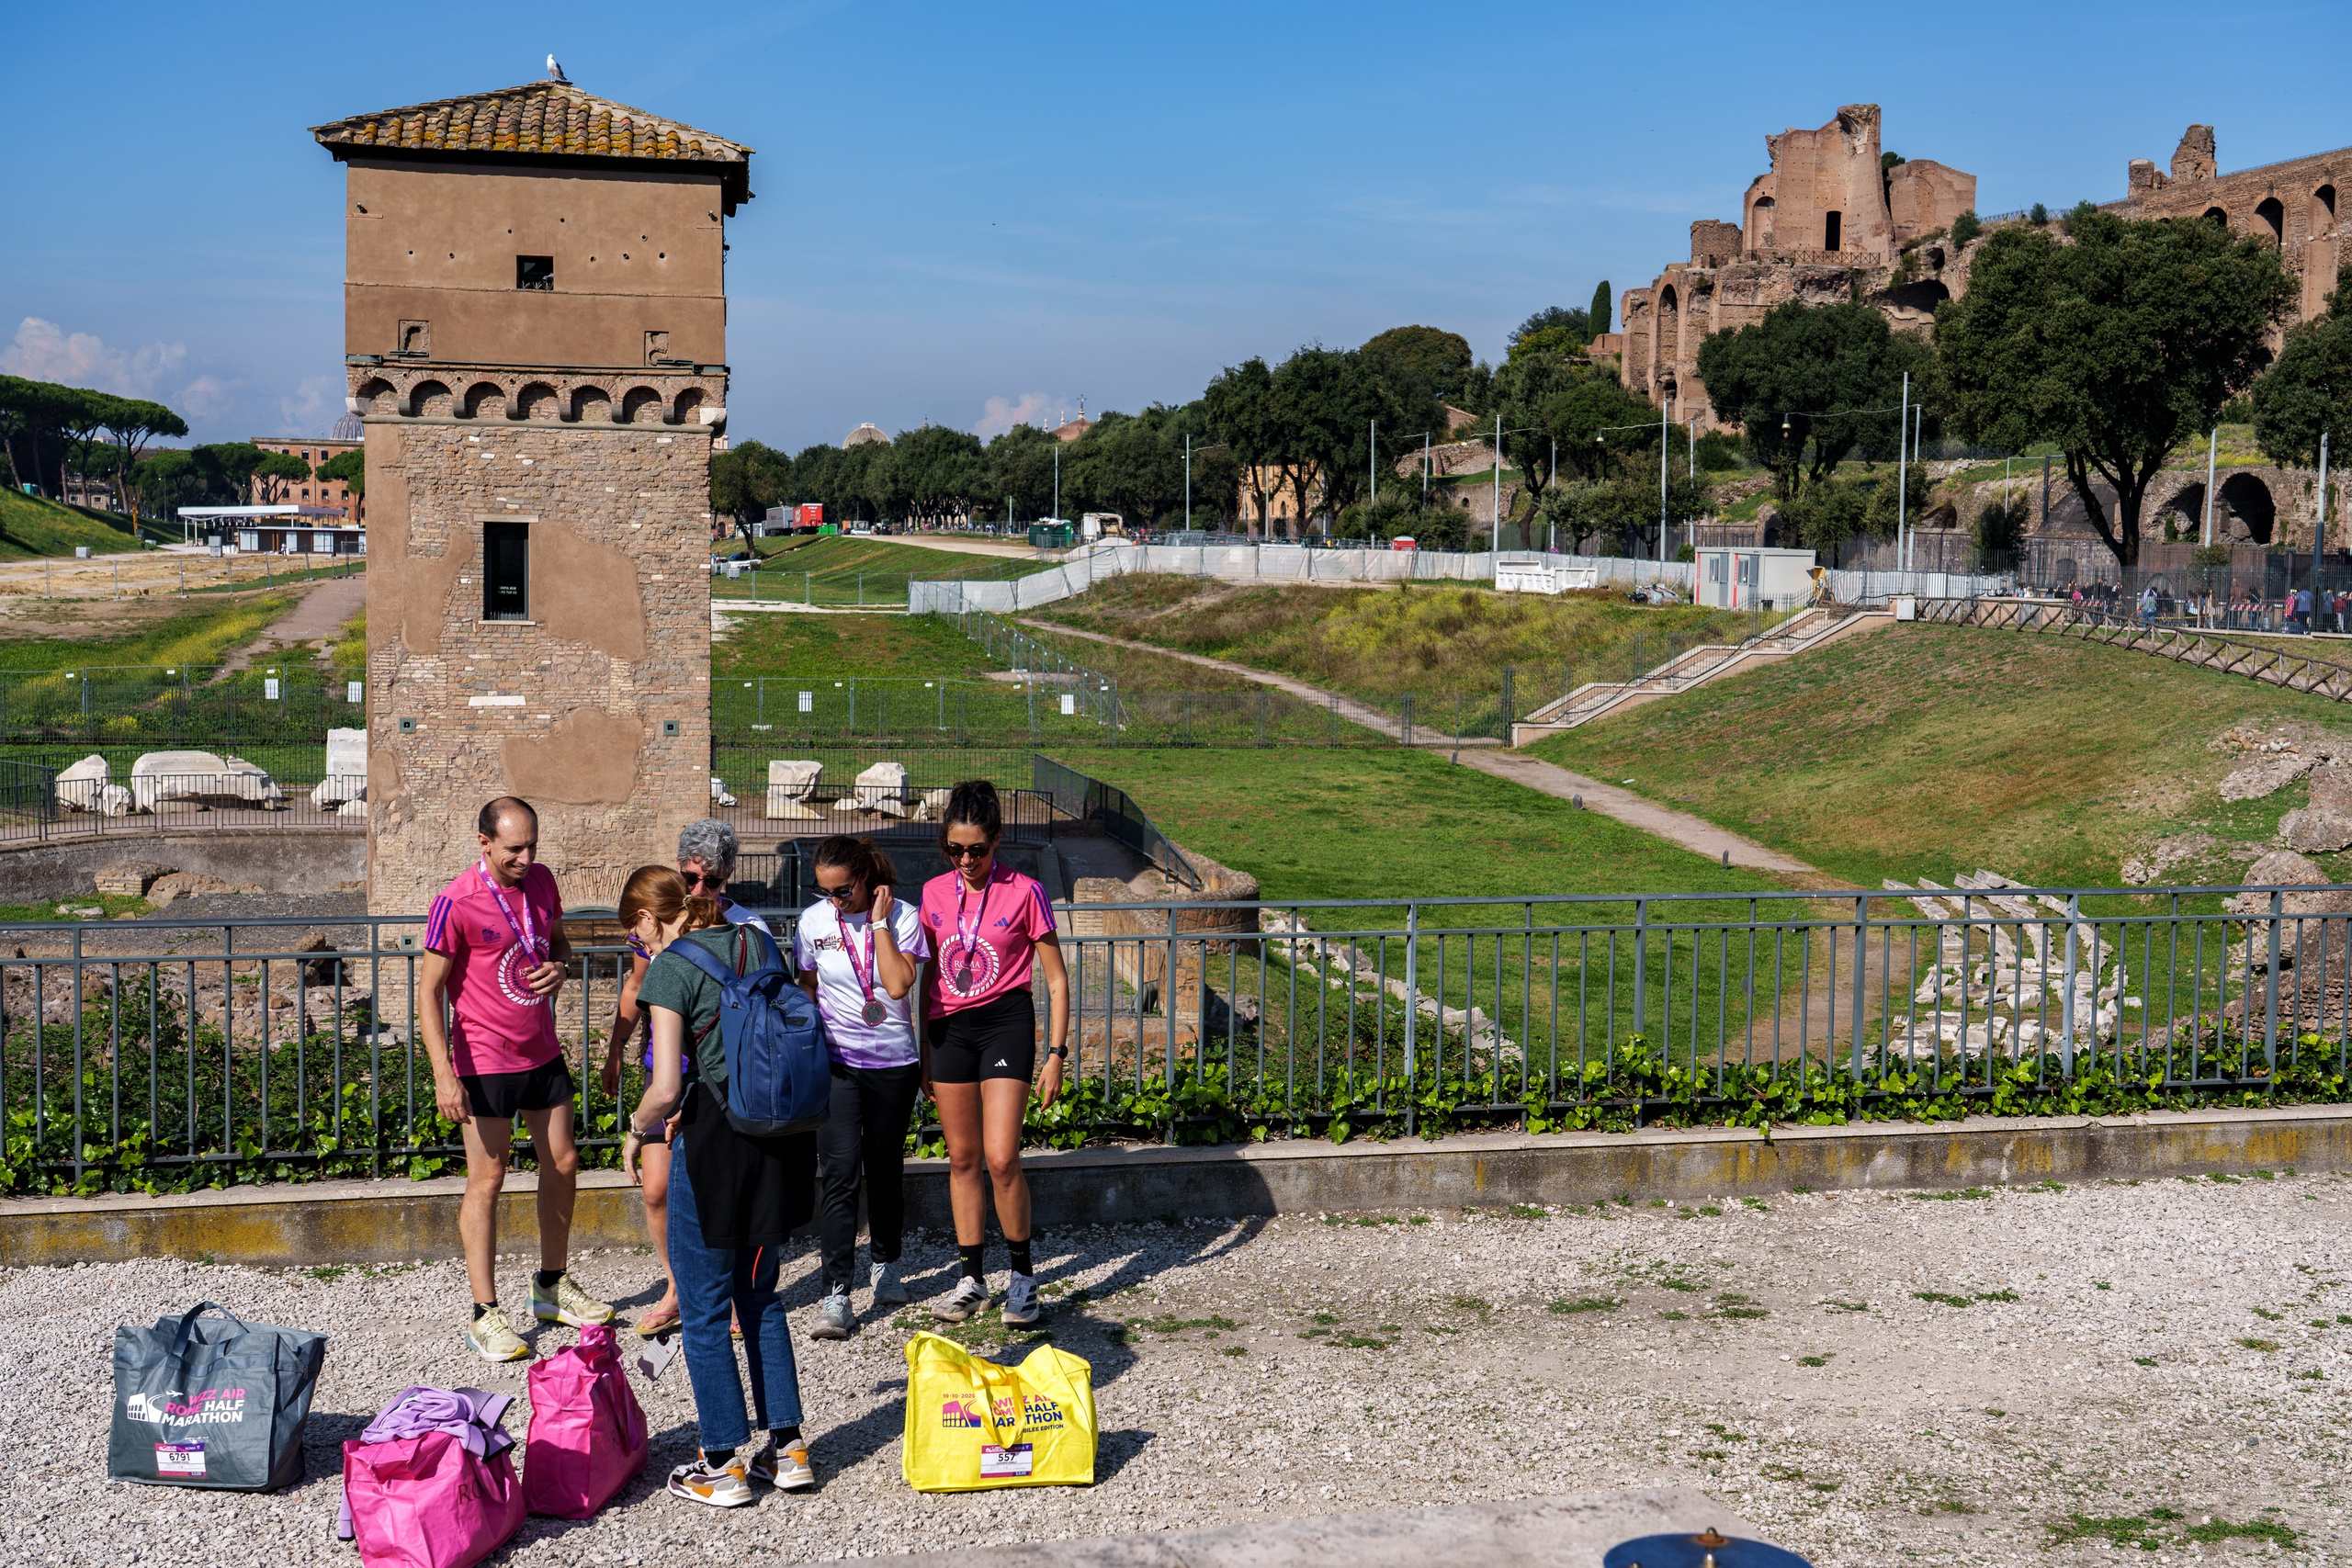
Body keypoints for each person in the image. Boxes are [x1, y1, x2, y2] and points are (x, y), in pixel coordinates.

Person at [618, 865, 818, 1508]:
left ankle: (722, 1462)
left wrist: (636, 1126)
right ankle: (787, 1450)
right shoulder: (755, 939)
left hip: (715, 1147)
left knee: (703, 1307)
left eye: (634, 935)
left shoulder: (672, 966)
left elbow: (667, 1086)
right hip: (780, 1139)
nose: (638, 947)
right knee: (760, 1294)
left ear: (651, 919)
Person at [421, 796, 613, 1362]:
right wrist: (443, 1074)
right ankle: (485, 1313)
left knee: (564, 1162)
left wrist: (561, 963)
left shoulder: (543, 882)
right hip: (482, 1059)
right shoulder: (455, 901)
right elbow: (430, 992)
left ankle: (551, 1285)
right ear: (484, 843)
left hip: (541, 1050)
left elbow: (555, 944)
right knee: (490, 1178)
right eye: (513, 849)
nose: (525, 858)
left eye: (532, 846)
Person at [601, 818, 770, 1337]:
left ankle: (726, 1293)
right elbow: (637, 985)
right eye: (689, 878)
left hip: (708, 1084)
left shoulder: (744, 931)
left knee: (715, 1193)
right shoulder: (654, 928)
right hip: (664, 1071)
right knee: (655, 1191)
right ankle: (677, 1286)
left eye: (710, 882)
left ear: (729, 878)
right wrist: (615, 1049)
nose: (698, 891)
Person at [919, 781, 1070, 1327]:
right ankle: (970, 1278)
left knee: (1002, 1158)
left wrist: (1056, 1053)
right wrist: (923, 1054)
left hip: (1006, 1021)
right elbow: (927, 976)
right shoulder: (934, 893)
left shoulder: (1026, 890)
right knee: (962, 1159)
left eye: (977, 850)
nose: (965, 860)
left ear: (997, 841)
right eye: (954, 850)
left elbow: (1055, 978)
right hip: (947, 1030)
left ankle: (1023, 1277)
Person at [794, 835, 931, 1339]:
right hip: (837, 1065)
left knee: (885, 1166)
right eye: (824, 891)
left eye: (843, 890)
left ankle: (886, 1264)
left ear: (866, 879)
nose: (834, 901)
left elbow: (897, 986)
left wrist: (875, 922)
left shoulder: (904, 917)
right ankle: (836, 1295)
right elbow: (807, 985)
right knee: (839, 1175)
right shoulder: (813, 923)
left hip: (893, 1063)